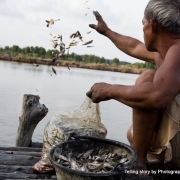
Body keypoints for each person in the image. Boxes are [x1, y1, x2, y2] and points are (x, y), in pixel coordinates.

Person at [86, 0, 180, 171]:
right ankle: (141, 161)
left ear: (153, 26)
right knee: (134, 133)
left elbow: (157, 96)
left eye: (142, 23)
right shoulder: (166, 51)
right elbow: (135, 46)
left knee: (148, 80)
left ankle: (139, 164)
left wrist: (109, 90)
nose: (142, 28)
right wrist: (107, 31)